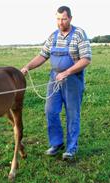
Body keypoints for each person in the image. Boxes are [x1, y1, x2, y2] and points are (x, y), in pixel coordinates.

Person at [21, 6, 92, 160]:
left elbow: (86, 59)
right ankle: (56, 143)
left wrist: (66, 72)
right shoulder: (53, 36)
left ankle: (71, 148)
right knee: (50, 111)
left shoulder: (79, 34)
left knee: (72, 114)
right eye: (58, 19)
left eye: (64, 19)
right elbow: (42, 55)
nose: (60, 22)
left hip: (73, 79)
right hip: (54, 79)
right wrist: (27, 67)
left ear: (70, 18)